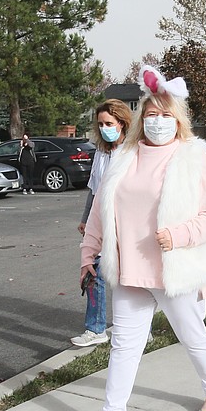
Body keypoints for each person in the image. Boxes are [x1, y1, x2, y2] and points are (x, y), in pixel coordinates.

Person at [78, 66, 206, 411]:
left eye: (165, 115)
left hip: (174, 269)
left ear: (178, 119)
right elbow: (100, 210)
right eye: (151, 114)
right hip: (130, 270)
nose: (158, 122)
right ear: (141, 118)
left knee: (191, 335)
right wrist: (88, 253)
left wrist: (178, 235)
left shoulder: (198, 159)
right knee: (124, 346)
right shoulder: (124, 158)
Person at [72, 99, 132, 347]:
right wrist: (86, 220)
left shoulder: (132, 152)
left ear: (122, 123)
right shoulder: (101, 153)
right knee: (94, 273)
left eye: (109, 123)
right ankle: (95, 329)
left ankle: (138, 327)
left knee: (128, 277)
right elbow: (94, 190)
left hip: (125, 223)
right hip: (101, 223)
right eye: (101, 124)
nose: (105, 127)